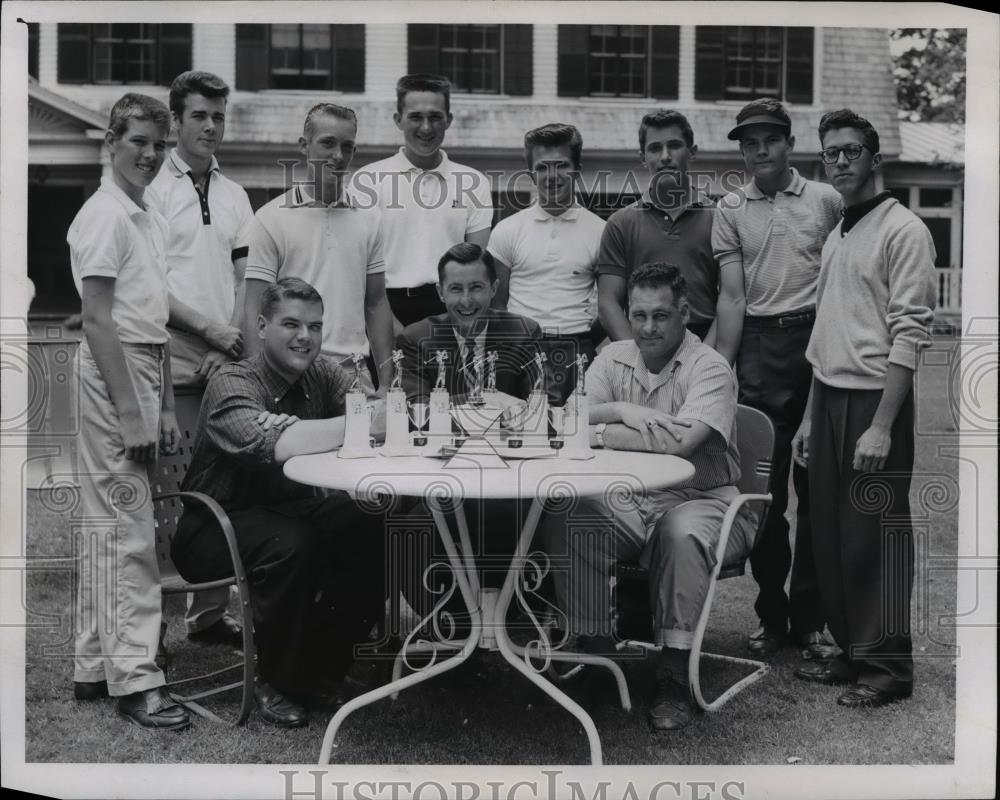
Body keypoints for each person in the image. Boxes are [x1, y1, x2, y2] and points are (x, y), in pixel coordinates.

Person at [540, 263, 756, 732]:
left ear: (684, 313)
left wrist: (603, 433)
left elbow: (681, 445)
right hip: (632, 498)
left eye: (661, 316)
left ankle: (675, 672)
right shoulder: (613, 356)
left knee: (679, 533)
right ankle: (597, 656)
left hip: (705, 499)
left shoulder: (710, 368)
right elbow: (567, 420)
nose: (648, 328)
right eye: (639, 315)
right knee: (569, 508)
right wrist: (619, 410)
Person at [171, 278, 388, 727]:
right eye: (291, 324)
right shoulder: (234, 381)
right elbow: (280, 445)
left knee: (369, 521)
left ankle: (323, 667)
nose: (305, 337)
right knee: (293, 542)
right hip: (214, 525)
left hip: (289, 514)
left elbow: (381, 415)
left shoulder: (323, 373)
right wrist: (325, 429)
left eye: (315, 326)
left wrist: (324, 427)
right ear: (263, 326)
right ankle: (279, 680)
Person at [791, 110, 936, 708]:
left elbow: (910, 333)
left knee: (873, 536)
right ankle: (850, 653)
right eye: (831, 153)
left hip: (877, 403)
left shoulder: (905, 230)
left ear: (875, 159)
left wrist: (881, 426)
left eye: (852, 151)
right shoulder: (840, 232)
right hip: (827, 397)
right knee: (829, 533)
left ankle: (887, 671)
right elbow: (826, 334)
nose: (842, 161)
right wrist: (807, 417)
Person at [67, 93, 190, 731]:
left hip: (143, 364)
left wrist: (162, 404)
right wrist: (132, 412)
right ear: (111, 141)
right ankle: (137, 680)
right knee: (128, 529)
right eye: (138, 141)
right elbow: (97, 321)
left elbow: (153, 322)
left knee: (110, 520)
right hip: (113, 369)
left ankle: (95, 665)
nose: (149, 154)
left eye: (159, 145)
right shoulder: (104, 216)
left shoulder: (147, 216)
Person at [713, 98, 842, 661]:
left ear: (790, 143)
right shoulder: (731, 207)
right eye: (748, 141)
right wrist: (725, 372)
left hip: (817, 343)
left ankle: (810, 618)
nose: (758, 150)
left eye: (768, 139)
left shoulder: (826, 199)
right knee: (764, 493)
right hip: (761, 348)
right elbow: (734, 296)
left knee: (816, 489)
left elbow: (841, 280)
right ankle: (772, 613)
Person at [146, 69, 253, 649]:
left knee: (221, 486)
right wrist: (209, 332)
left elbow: (246, 278)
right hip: (168, 361)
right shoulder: (153, 191)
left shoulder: (235, 194)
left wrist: (227, 338)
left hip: (223, 362)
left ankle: (210, 615)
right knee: (165, 491)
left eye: (217, 116)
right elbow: (149, 287)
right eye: (199, 116)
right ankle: (156, 625)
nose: (210, 126)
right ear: (176, 120)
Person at [394, 243, 547, 628]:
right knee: (410, 529)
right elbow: (417, 410)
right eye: (456, 289)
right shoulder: (415, 338)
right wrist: (489, 401)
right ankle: (452, 624)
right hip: (442, 478)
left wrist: (481, 409)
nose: (466, 300)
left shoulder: (524, 331)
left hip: (510, 480)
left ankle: (517, 622)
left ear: (494, 287)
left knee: (538, 519)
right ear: (440, 292)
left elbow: (549, 405)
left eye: (476, 288)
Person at [243, 103, 393, 392]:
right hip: (290, 375)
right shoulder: (270, 217)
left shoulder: (370, 218)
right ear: (305, 145)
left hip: (355, 376)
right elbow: (254, 306)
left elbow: (376, 303)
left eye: (347, 146)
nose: (338, 156)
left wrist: (387, 381)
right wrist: (257, 386)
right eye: (327, 143)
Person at [596, 110, 744, 363]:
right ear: (643, 157)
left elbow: (729, 297)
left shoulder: (719, 218)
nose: (665, 157)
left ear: (692, 152)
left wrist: (703, 358)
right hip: (642, 343)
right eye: (655, 148)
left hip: (703, 343)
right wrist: (637, 358)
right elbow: (609, 302)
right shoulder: (621, 223)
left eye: (674, 146)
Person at [357, 74, 494, 332]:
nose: (426, 128)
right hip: (384, 308)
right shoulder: (367, 181)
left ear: (449, 120)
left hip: (452, 310)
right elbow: (358, 272)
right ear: (398, 120)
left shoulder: (474, 182)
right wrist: (395, 331)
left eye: (435, 117)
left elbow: (477, 268)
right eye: (416, 117)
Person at [488, 123, 606, 404]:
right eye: (542, 167)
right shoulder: (507, 230)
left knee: (573, 432)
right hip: (520, 348)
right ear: (530, 172)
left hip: (576, 348)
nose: (552, 176)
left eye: (561, 166)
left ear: (577, 169)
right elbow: (497, 304)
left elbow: (612, 303)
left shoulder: (601, 231)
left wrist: (582, 340)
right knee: (518, 433)